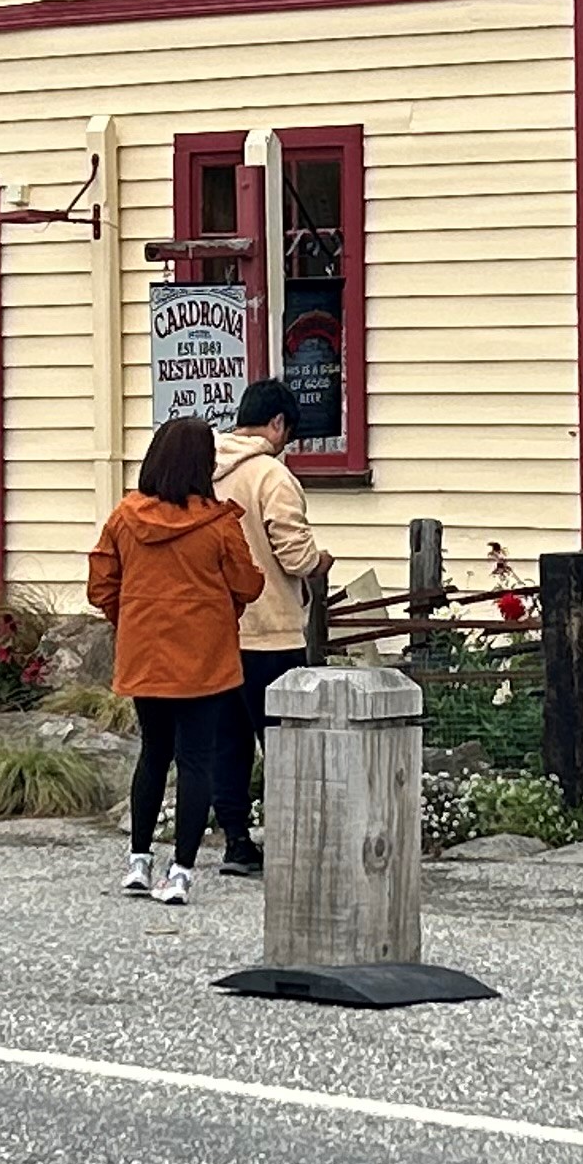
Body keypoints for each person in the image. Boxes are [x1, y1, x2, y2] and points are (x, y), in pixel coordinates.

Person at [86, 415, 262, 907]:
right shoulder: (219, 524)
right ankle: (181, 871)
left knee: (153, 753)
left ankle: (138, 862)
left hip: (145, 654)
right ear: (203, 464)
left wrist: (132, 618)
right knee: (196, 760)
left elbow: (100, 585)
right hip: (205, 658)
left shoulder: (125, 517)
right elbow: (247, 584)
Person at [212, 377, 335, 879]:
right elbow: (294, 554)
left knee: (227, 741)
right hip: (271, 627)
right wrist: (320, 562)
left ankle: (236, 841)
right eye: (289, 434)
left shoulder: (204, 469)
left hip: (219, 630)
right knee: (284, 742)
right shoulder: (271, 475)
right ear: (278, 423)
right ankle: (291, 842)